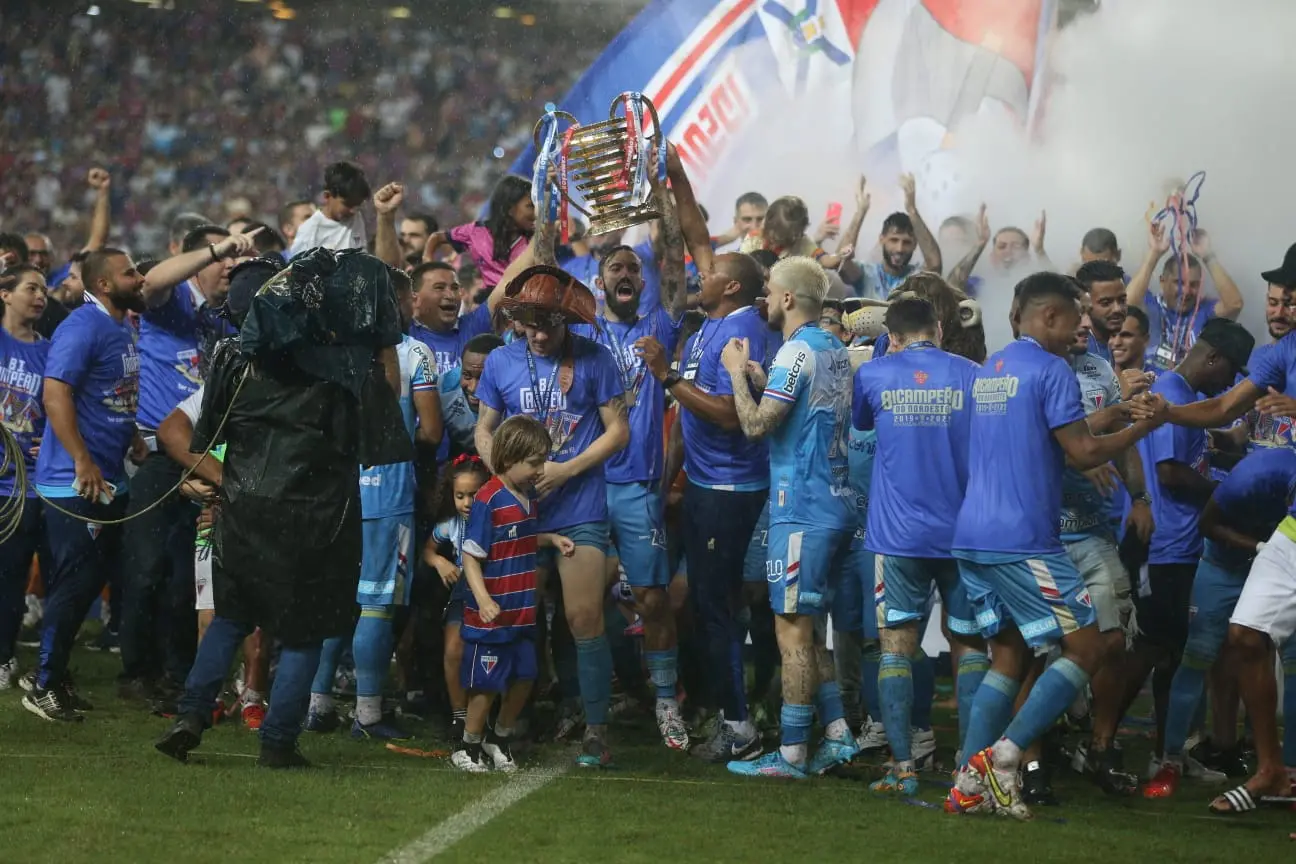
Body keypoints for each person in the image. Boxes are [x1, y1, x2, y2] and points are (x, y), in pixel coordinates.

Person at [154, 251, 407, 767]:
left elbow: (204, 436)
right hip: (316, 519)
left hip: (245, 510)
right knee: (303, 634)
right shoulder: (338, 366)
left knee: (229, 620)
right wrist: (378, 337)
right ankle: (277, 742)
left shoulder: (232, 358)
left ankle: (191, 714)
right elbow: (381, 418)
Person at [948, 271, 1168, 819]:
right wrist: (1142, 426)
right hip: (1024, 539)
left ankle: (964, 780)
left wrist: (1114, 414)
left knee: (1007, 656)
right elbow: (1083, 453)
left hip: (973, 536)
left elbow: (1039, 438)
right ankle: (1004, 760)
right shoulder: (1052, 370)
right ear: (1049, 317)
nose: (1082, 329)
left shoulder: (992, 367)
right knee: (1089, 647)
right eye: (1077, 318)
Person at [1126, 242, 1296, 811]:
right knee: (1237, 641)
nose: (1285, 302)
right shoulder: (1279, 356)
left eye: (1293, 292)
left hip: (1248, 533)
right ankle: (1266, 769)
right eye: (1279, 293)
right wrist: (1170, 412)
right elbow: (1224, 409)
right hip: (1256, 536)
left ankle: (1280, 768)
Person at [473, 212, 630, 768]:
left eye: (550, 326)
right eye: (530, 325)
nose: (539, 335)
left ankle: (595, 729)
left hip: (580, 506)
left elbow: (619, 430)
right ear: (515, 319)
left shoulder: (595, 359)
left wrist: (567, 470)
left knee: (583, 618)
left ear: (568, 321)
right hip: (520, 513)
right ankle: (509, 723)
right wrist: (503, 471)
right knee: (516, 617)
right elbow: (484, 427)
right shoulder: (500, 360)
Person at [638, 150, 769, 763]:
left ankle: (739, 724)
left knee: (720, 611)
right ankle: (724, 707)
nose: (700, 272)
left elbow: (731, 417)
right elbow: (693, 229)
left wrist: (666, 378)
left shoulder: (745, 332)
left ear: (732, 285)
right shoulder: (710, 321)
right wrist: (677, 173)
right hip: (701, 487)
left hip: (732, 492)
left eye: (711, 272)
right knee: (702, 607)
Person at [717, 256, 857, 779]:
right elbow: (804, 405)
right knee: (811, 628)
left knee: (791, 629)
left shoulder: (796, 351)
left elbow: (756, 425)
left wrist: (736, 375)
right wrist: (762, 374)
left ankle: (793, 752)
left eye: (772, 293)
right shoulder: (832, 347)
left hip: (800, 507)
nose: (766, 301)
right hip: (836, 501)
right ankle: (839, 734)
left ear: (790, 299)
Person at [570, 167, 689, 750]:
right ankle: (591, 700)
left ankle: (667, 702)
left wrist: (663, 197)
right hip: (585, 485)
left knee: (651, 597)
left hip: (638, 486)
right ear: (598, 282)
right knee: (580, 601)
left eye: (632, 269)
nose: (626, 273)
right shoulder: (583, 335)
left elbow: (673, 259)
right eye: (615, 267)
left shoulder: (660, 324)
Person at [851, 295, 986, 795]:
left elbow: (863, 426)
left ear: (892, 336)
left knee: (895, 650)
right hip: (963, 535)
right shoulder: (972, 375)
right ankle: (967, 769)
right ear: (940, 330)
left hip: (898, 536)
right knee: (969, 648)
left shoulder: (874, 375)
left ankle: (904, 769)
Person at [119, 224, 257, 709]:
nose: (229, 268)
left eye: (234, 263)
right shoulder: (172, 303)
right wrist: (217, 249)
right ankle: (137, 671)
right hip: (158, 456)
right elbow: (150, 282)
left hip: (210, 460)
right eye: (222, 260)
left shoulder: (229, 322)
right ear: (200, 257)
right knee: (145, 567)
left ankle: (177, 676)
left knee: (188, 579)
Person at [306, 269, 442, 740]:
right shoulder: (413, 352)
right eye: (407, 299)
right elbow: (431, 430)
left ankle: (317, 703)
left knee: (337, 599)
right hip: (388, 491)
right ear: (399, 303)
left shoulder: (333, 352)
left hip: (339, 491)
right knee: (377, 605)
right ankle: (367, 714)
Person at [22, 248, 149, 721]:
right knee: (74, 586)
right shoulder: (82, 325)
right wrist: (82, 459)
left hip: (107, 477)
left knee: (90, 582)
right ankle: (44, 684)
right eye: (130, 273)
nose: (139, 278)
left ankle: (57, 676)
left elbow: (112, 392)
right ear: (103, 285)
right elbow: (55, 392)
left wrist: (131, 434)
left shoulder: (121, 326)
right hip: (73, 483)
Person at [1124, 318, 1253, 770]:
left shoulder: (1182, 398)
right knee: (1161, 652)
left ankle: (1167, 751)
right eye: (1231, 371)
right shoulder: (1174, 398)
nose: (1230, 385)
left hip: (1176, 545)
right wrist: (1226, 492)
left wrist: (1227, 448)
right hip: (1167, 546)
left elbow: (1192, 453)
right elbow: (1170, 472)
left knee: (1169, 652)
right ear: (1213, 358)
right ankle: (1148, 750)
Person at [1144, 448, 1296, 799]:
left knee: (1292, 663)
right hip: (1224, 570)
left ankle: (1288, 768)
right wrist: (1258, 547)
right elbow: (1207, 524)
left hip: (1279, 568)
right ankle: (1169, 759)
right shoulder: (1246, 482)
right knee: (1197, 658)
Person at [1055, 297, 1153, 798]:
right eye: (1074, 317)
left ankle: (1099, 745)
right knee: (1038, 646)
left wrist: (1139, 496)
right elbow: (1036, 440)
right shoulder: (1031, 368)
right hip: (1040, 531)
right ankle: (1037, 743)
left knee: (1114, 641)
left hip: (1094, 528)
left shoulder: (1097, 368)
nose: (1083, 325)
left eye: (1084, 317)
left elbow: (1124, 438)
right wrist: (1079, 455)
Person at [455, 416, 575, 772]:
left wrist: (550, 539)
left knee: (524, 677)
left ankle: (499, 738)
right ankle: (468, 745)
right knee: (485, 685)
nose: (540, 470)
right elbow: (471, 556)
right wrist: (484, 600)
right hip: (492, 614)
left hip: (523, 609)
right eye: (535, 462)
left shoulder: (528, 496)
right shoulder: (488, 500)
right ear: (509, 459)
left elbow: (518, 539)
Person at [0, 266, 50, 690]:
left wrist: (49, 440)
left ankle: (2, 656)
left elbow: (62, 411)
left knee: (12, 574)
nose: (40, 296)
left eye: (44, 290)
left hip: (25, 486)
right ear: (5, 294)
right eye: (30, 288)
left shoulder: (51, 353)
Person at [425, 454, 492, 756]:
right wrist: (439, 561)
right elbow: (428, 548)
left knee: (491, 654)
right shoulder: (450, 525)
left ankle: (488, 719)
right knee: (454, 650)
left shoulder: (496, 519)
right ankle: (459, 716)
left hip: (495, 589)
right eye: (460, 495)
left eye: (474, 494)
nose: (466, 502)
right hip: (464, 591)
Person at [1126, 221, 1243, 371]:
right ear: (1163, 282)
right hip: (1149, 386)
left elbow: (1234, 304)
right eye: (1179, 283)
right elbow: (1126, 307)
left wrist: (1207, 256)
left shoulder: (1205, 311)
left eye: (1194, 284)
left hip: (1191, 390)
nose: (1187, 291)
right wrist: (1154, 253)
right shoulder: (1150, 306)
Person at [423, 175, 534, 290]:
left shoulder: (536, 238)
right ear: (510, 209)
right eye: (530, 206)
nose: (536, 212)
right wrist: (428, 265)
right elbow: (436, 238)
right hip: (485, 303)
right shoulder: (476, 232)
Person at [841, 175, 942, 299]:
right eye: (894, 240)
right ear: (881, 239)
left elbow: (935, 264)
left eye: (906, 242)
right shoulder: (867, 274)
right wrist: (860, 212)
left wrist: (912, 210)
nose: (899, 248)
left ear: (915, 244)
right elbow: (841, 261)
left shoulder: (915, 278)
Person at [440, 334, 505, 459]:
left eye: (483, 378)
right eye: (467, 375)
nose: (473, 388)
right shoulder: (443, 389)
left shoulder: (518, 395)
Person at [286, 161, 372, 256]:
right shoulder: (310, 231)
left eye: (357, 205)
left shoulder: (355, 219)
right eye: (347, 204)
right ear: (327, 196)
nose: (353, 210)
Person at [1076, 260, 1128, 365]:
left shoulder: (1109, 343)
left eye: (1122, 300)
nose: (1117, 309)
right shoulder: (1078, 349)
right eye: (1106, 303)